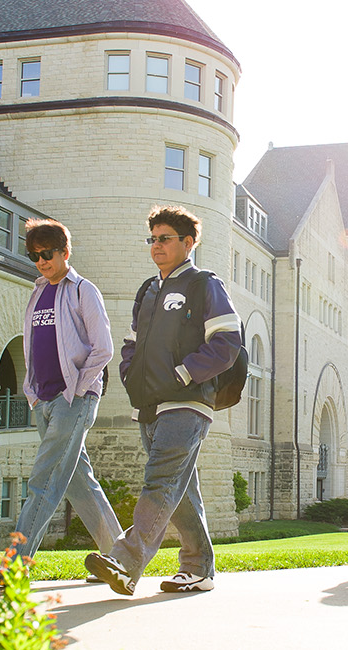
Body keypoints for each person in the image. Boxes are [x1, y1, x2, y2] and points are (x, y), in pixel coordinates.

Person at [85, 206, 242, 596]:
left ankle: (125, 561)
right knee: (180, 490)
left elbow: (227, 341)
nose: (156, 245)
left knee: (159, 481)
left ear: (188, 243)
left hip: (188, 402)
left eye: (165, 238)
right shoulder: (149, 290)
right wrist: (130, 378)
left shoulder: (205, 284)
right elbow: (131, 344)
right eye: (152, 238)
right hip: (149, 404)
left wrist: (184, 373)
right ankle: (198, 569)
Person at [11, 219, 123, 561]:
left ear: (65, 252)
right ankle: (122, 557)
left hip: (71, 400)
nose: (42, 261)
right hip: (43, 399)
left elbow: (103, 348)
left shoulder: (82, 290)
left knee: (43, 480)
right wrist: (33, 392)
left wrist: (75, 390)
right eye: (34, 255)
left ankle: (16, 562)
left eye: (47, 254)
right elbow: (33, 347)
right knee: (79, 482)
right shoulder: (38, 291)